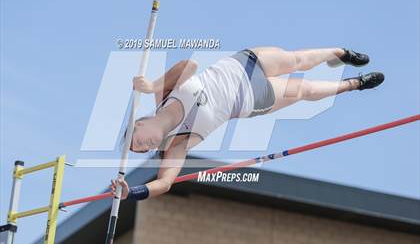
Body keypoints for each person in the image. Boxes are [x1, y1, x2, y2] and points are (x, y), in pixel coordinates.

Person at [110, 47, 384, 201]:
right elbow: (165, 182)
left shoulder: (162, 94)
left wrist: (152, 86)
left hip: (241, 66)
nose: (144, 146)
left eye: (137, 140)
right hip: (253, 99)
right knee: (305, 90)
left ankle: (338, 53)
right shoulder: (178, 143)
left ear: (141, 121)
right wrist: (130, 192)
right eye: (141, 151)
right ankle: (353, 84)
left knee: (295, 60)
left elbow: (188, 66)